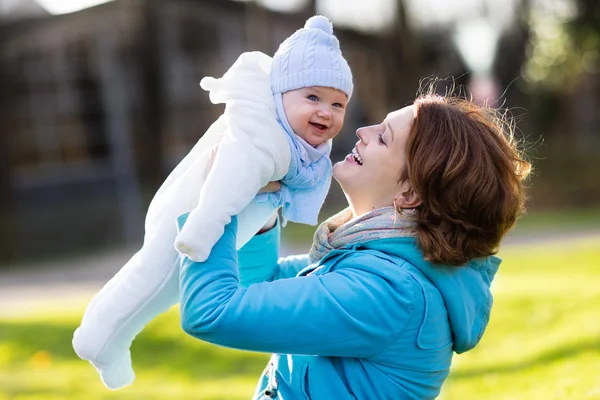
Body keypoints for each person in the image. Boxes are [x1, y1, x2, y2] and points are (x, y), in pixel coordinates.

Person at [177, 93, 531, 399]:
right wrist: (262, 209)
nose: (363, 132)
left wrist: (213, 205)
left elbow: (211, 312)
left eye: (383, 138)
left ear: (409, 194)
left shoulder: (388, 293)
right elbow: (257, 285)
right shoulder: (372, 267)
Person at [73, 15, 353, 390]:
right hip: (192, 222)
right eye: (313, 97)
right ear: (281, 95)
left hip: (219, 226)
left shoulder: (299, 137)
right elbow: (224, 186)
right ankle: (99, 340)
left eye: (338, 104)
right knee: (151, 281)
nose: (326, 111)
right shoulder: (263, 137)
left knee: (163, 291)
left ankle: (112, 338)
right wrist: (200, 232)